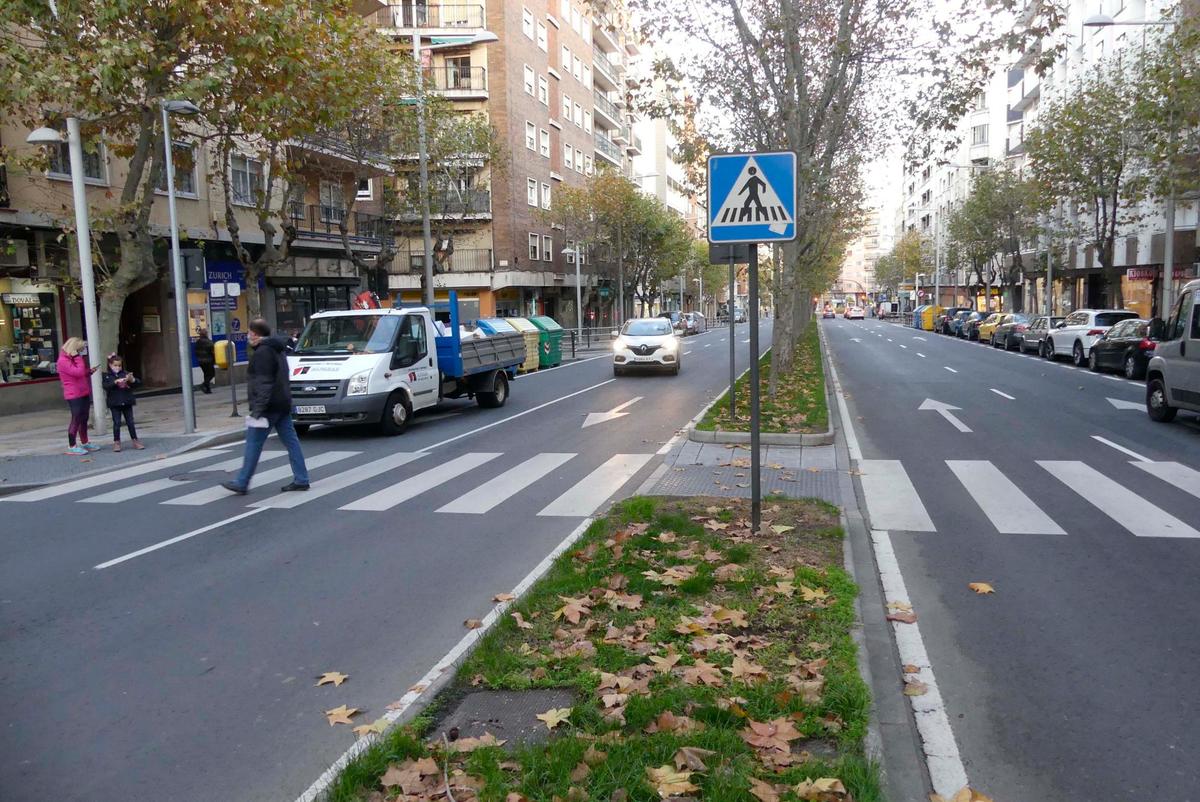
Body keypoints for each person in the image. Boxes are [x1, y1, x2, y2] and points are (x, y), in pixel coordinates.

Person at [221, 319, 309, 495]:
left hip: (268, 407)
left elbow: (264, 383)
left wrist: (258, 411)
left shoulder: (263, 353)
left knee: (253, 443)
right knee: (292, 443)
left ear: (255, 334)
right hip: (282, 403)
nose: (247, 336)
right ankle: (301, 479)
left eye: (248, 333)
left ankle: (242, 481)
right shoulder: (278, 349)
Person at [57, 337, 99, 455]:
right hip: (73, 394)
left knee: (84, 418)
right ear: (74, 349)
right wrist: (77, 358)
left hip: (83, 391)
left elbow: (80, 374)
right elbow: (78, 372)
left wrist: (89, 371)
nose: (80, 352)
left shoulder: (71, 359)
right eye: (79, 350)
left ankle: (85, 442)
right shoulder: (63, 360)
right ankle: (72, 445)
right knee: (76, 418)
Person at [101, 353, 143, 452]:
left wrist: (132, 380)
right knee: (117, 423)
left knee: (130, 422)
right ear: (110, 365)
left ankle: (135, 440)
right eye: (115, 365)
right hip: (115, 403)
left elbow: (137, 384)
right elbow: (106, 386)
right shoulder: (107, 376)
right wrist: (115, 382)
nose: (118, 367)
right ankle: (117, 442)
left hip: (127, 401)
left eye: (119, 365)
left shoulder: (125, 373)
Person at [194, 328, 215, 394]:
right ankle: (203, 385)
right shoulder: (208, 342)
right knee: (212, 374)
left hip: (201, 361)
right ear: (205, 334)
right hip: (208, 361)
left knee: (206, 374)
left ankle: (207, 389)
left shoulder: (198, 342)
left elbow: (196, 351)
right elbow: (213, 350)